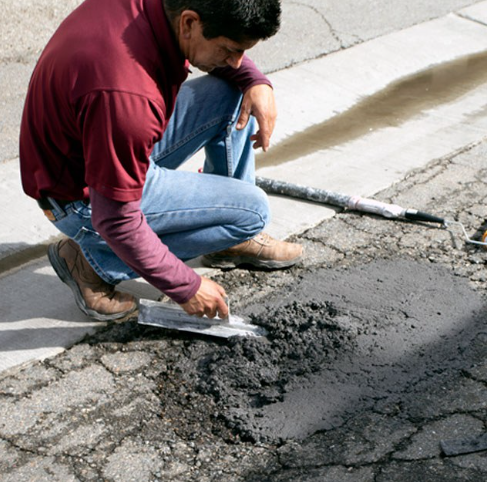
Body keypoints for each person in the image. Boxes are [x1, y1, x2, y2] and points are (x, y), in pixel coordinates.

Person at [19, 0, 302, 322]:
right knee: (253, 211)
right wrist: (185, 285)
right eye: (229, 49)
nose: (237, 61)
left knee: (236, 94)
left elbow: (231, 68)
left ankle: (228, 240)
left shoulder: (160, 10)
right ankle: (89, 262)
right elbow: (116, 219)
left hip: (99, 144)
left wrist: (256, 81)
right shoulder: (126, 96)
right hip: (81, 197)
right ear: (189, 23)